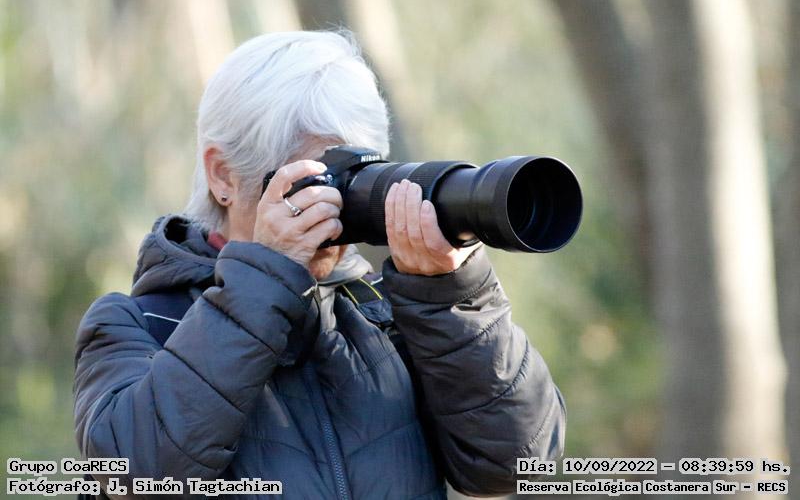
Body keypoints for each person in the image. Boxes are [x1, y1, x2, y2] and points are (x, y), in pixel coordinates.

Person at [73, 31, 565, 499]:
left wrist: (450, 297)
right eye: (318, 179)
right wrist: (267, 277)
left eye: (361, 173)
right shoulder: (138, 324)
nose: (339, 203)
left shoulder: (391, 314)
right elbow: (133, 478)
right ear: (223, 176)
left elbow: (518, 464)